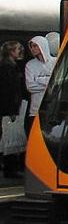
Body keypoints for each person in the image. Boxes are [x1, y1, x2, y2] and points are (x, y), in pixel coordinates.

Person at [0, 41, 24, 177]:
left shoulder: (9, 66)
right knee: (9, 137)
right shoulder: (7, 68)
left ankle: (9, 166)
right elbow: (8, 90)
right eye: (17, 49)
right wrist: (12, 109)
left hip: (9, 106)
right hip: (9, 108)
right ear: (11, 52)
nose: (19, 52)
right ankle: (10, 168)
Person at [25, 35, 56, 134]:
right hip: (36, 108)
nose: (33, 49)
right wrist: (48, 83)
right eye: (32, 47)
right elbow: (30, 86)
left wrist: (39, 80)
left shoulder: (55, 62)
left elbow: (57, 82)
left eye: (35, 46)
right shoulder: (30, 65)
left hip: (53, 106)